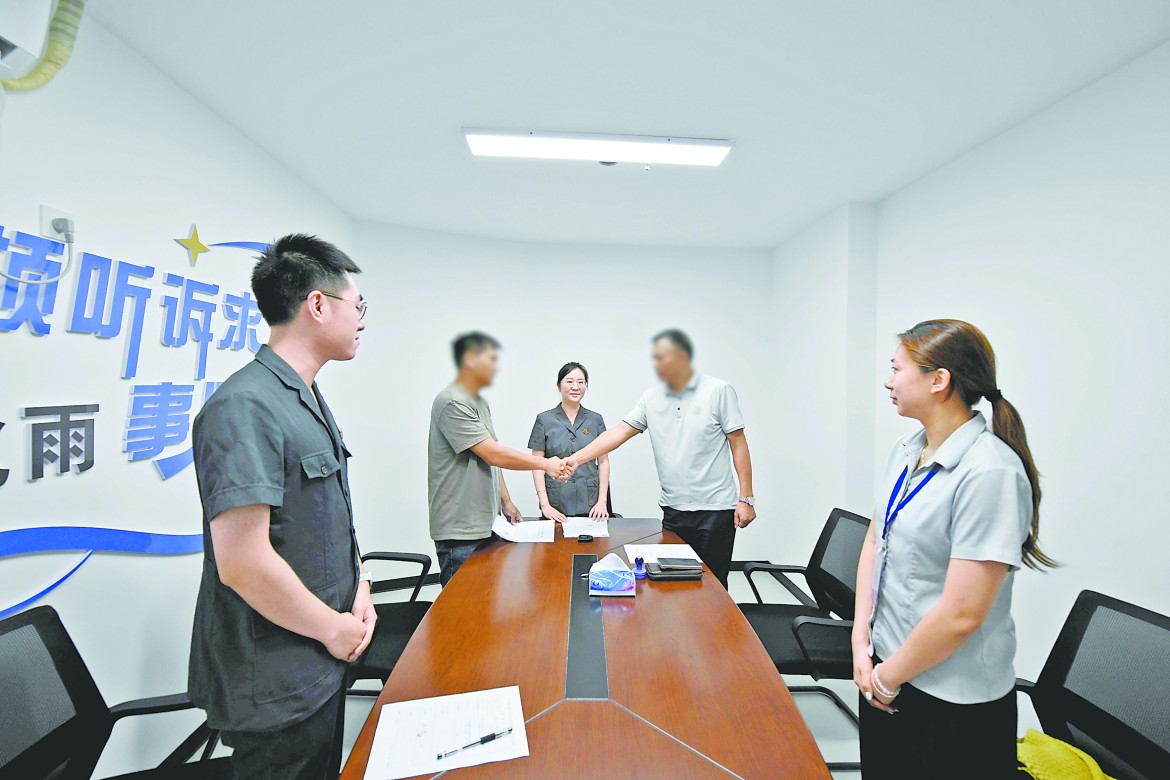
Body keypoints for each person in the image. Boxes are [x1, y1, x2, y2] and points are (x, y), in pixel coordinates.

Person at [189, 234, 374, 780]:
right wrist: (333, 629)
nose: (362, 320)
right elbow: (243, 562)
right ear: (318, 304)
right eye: (357, 305)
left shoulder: (304, 394)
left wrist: (359, 586)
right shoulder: (244, 406)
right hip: (277, 679)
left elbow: (323, 517)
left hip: (321, 659)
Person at [851, 319, 1057, 780]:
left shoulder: (990, 472)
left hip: (950, 699)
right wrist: (861, 639)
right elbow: (875, 539)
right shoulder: (908, 449)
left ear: (938, 380)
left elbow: (962, 615)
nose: (888, 381)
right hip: (887, 669)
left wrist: (888, 676)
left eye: (897, 368)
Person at [566, 329, 756, 587]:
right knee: (673, 583)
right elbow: (619, 433)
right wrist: (575, 459)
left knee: (714, 586)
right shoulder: (651, 398)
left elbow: (738, 443)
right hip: (674, 509)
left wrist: (746, 499)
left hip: (715, 509)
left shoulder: (718, 390)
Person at [428, 332, 571, 585]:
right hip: (461, 530)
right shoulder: (452, 401)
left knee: (486, 598)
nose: (495, 367)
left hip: (487, 522)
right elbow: (492, 454)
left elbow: (491, 453)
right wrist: (546, 464)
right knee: (463, 605)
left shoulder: (478, 402)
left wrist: (506, 501)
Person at [528, 362, 611, 522]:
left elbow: (603, 462)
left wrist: (602, 502)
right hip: (557, 502)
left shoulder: (595, 420)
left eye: (581, 382)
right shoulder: (544, 420)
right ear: (559, 386)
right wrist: (545, 505)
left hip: (590, 503)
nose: (575, 387)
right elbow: (537, 464)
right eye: (569, 381)